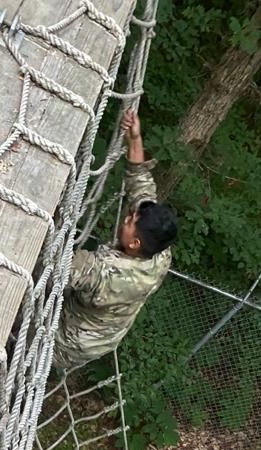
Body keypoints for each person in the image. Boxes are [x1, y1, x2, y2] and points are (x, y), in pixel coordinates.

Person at [53, 108, 178, 370]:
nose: (127, 219)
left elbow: (53, 266)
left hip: (71, 340)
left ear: (134, 244)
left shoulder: (107, 273)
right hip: (102, 324)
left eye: (131, 222)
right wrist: (135, 137)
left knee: (17, 340)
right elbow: (141, 185)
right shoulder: (158, 250)